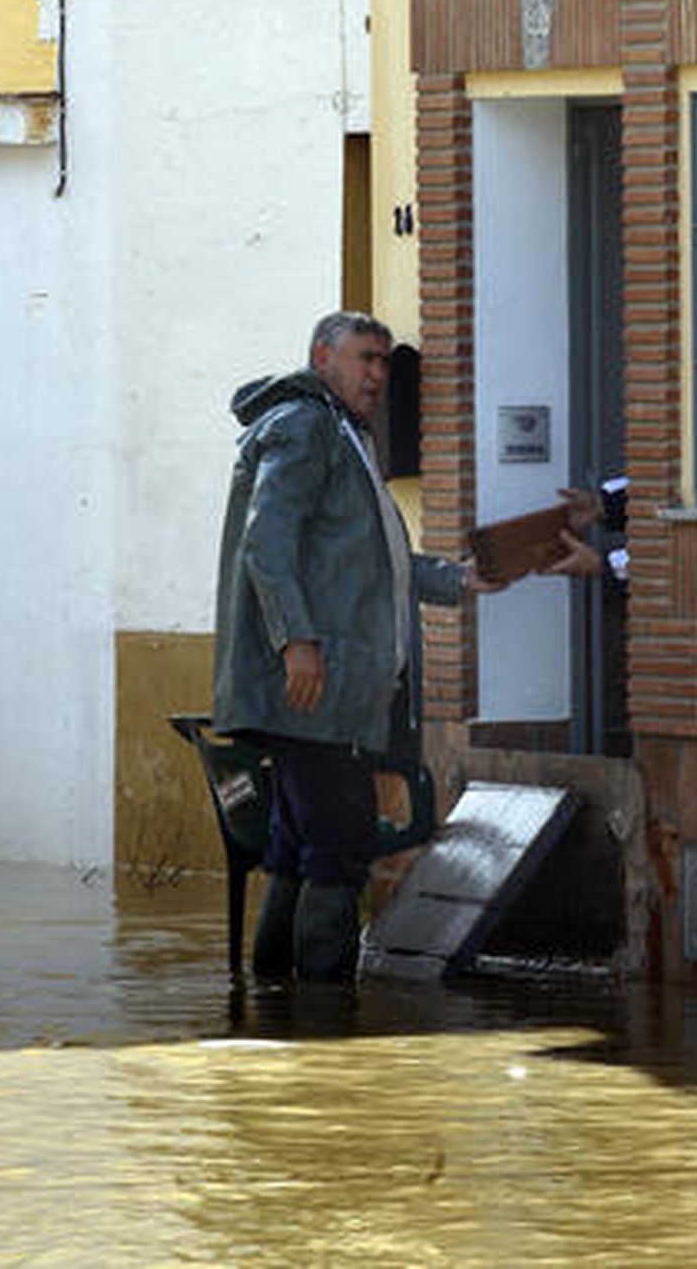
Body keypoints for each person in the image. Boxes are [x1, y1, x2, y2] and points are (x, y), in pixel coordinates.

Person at [212, 310, 506, 983]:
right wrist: (298, 644)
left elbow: (370, 564)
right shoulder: (306, 426)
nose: (377, 374)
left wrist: (454, 578)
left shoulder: (342, 433)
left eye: (383, 361)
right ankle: (327, 1034)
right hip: (313, 691)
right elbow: (267, 544)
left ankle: (278, 1014)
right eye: (364, 359)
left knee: (296, 848)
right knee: (340, 851)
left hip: (326, 692)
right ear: (324, 357)